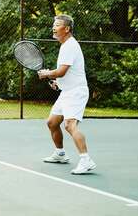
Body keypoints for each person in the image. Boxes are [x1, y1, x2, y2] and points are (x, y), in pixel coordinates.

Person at [37, 14, 96, 174]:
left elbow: (62, 71)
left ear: (67, 29)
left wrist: (47, 74)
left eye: (57, 25)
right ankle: (60, 154)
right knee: (52, 123)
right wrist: (57, 83)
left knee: (70, 125)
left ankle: (86, 160)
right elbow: (66, 74)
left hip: (76, 92)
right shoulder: (65, 46)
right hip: (68, 91)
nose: (54, 28)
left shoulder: (70, 45)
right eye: (54, 25)